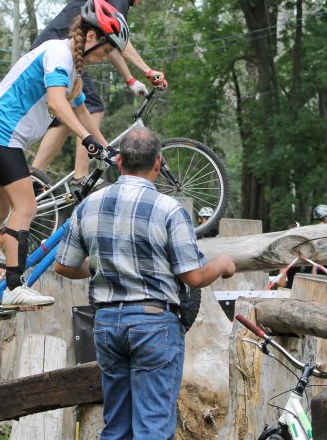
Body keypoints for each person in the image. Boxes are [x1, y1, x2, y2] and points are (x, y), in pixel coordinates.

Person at [54, 128, 236, 439]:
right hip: (154, 324)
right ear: (157, 163)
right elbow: (192, 277)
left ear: (120, 161)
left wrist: (103, 266)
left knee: (117, 426)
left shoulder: (89, 205)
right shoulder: (169, 209)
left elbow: (64, 265)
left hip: (108, 323)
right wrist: (220, 264)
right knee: (152, 426)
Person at [0, 0, 130, 308]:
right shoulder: (58, 53)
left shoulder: (72, 68)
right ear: (92, 36)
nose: (106, 56)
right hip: (1, 133)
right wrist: (86, 139)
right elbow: (56, 102)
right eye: (106, 49)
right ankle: (14, 286)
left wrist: (107, 149)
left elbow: (81, 113)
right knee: (25, 208)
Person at [30, 0, 169, 182]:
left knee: (68, 115)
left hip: (57, 52)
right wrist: (147, 70)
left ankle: (35, 176)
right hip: (59, 53)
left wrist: (130, 80)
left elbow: (111, 44)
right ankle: (81, 177)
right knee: (92, 107)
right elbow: (118, 42)